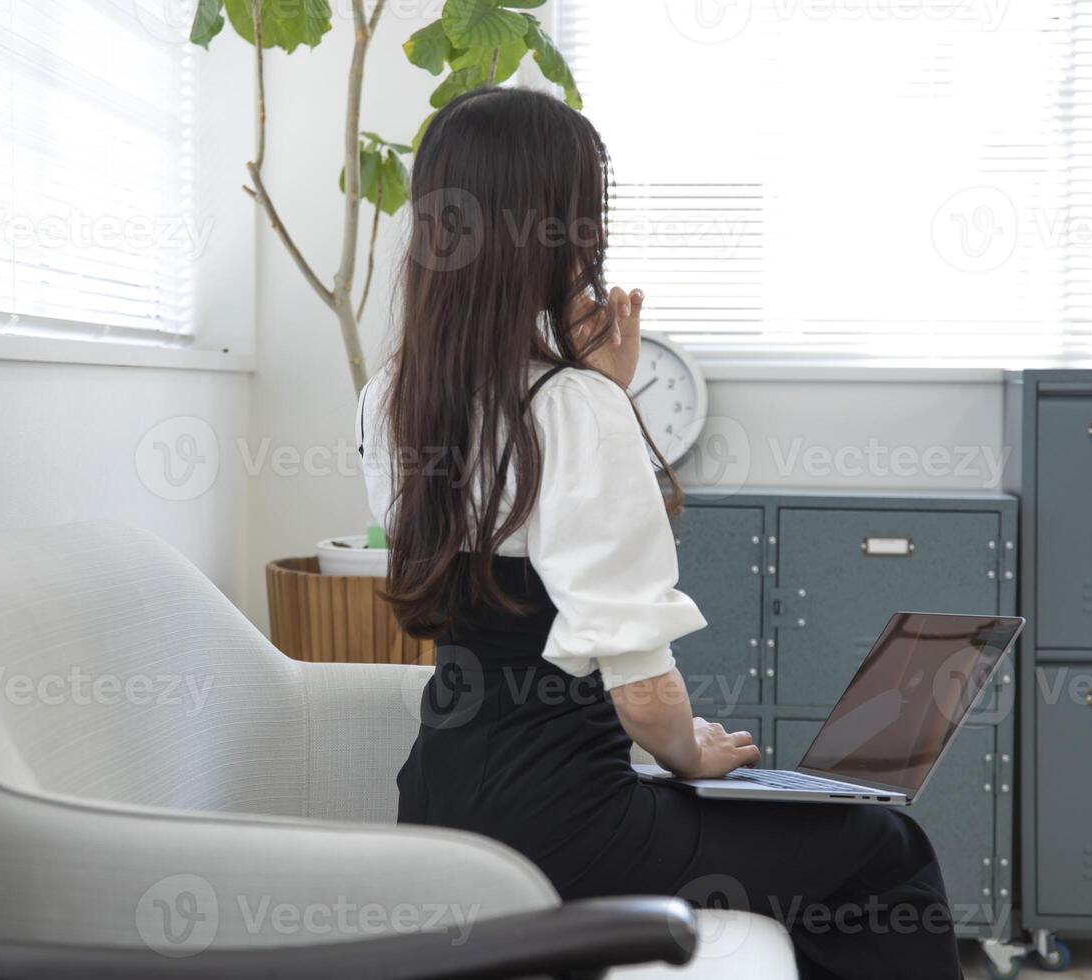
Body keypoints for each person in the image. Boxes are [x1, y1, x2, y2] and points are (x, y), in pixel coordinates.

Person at [357, 86, 962, 980]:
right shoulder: (572, 407)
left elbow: (506, 559)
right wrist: (693, 753)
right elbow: (642, 698)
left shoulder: (391, 394)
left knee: (818, 846)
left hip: (441, 803)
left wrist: (594, 385)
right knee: (884, 844)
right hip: (565, 829)